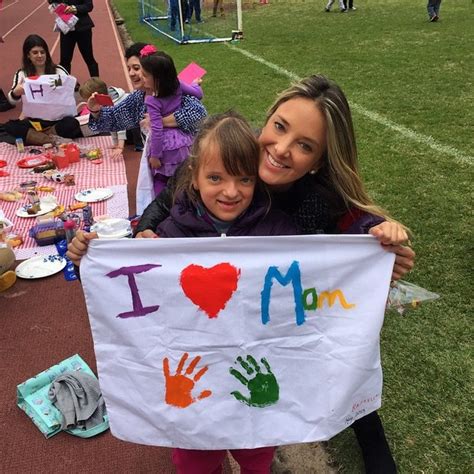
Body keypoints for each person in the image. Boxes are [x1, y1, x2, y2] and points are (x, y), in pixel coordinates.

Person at [122, 74, 416, 472]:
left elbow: (354, 220)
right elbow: (167, 204)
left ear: (318, 162)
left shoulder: (312, 199)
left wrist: (380, 245)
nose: (280, 149)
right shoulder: (226, 156)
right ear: (269, 118)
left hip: (276, 311)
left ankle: (368, 429)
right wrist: (143, 235)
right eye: (279, 127)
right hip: (217, 318)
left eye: (304, 146)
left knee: (343, 341)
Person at [68, 111, 298, 472]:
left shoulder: (279, 231)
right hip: (194, 382)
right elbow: (122, 290)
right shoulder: (168, 237)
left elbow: (317, 280)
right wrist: (90, 262)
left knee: (257, 457)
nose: (231, 191)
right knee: (196, 462)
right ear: (193, 176)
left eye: (244, 179)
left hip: (253, 371)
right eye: (215, 178)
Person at [87, 42, 207, 212]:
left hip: (186, 159)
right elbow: (114, 118)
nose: (132, 74)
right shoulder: (139, 98)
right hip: (158, 163)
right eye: (129, 69)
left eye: (137, 68)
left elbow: (199, 113)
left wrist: (159, 121)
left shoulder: (174, 88)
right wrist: (95, 111)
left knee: (185, 193)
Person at [140, 49, 203, 196]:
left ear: (157, 79)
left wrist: (155, 155)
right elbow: (198, 94)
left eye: (145, 75)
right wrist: (195, 84)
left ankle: (162, 205)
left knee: (161, 179)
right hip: (183, 141)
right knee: (183, 178)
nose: (142, 78)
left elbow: (157, 129)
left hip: (165, 146)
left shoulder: (152, 101)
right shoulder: (177, 85)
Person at [4, 34, 82, 145]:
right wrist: (16, 92)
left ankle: (39, 138)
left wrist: (71, 85)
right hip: (35, 122)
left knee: (72, 124)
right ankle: (51, 139)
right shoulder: (22, 74)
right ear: (28, 55)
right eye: (35, 52)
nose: (40, 55)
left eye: (42, 52)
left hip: (58, 121)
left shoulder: (58, 70)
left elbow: (69, 92)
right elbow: (12, 100)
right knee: (10, 126)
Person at [77, 77, 127, 158]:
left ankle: (139, 145)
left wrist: (120, 147)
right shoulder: (105, 101)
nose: (88, 102)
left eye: (89, 100)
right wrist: (115, 143)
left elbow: (121, 127)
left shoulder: (116, 105)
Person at [47, 0, 99, 77]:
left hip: (83, 29)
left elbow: (89, 6)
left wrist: (74, 8)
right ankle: (65, 85)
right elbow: (53, 2)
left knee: (89, 58)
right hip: (67, 29)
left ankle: (96, 82)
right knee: (65, 60)